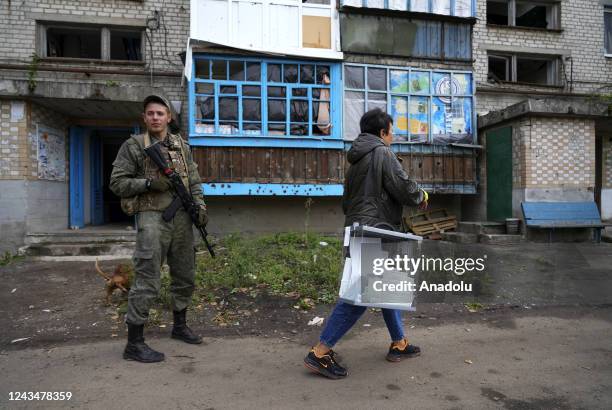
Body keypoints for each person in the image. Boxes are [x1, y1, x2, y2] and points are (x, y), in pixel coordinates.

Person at [304, 108, 429, 379]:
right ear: (382, 133)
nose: (393, 136)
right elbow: (404, 186)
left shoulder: (356, 162)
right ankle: (320, 352)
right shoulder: (382, 153)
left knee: (387, 286)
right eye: (391, 131)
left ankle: (399, 343)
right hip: (376, 230)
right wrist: (421, 196)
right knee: (360, 294)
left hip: (360, 227)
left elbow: (347, 202)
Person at [110, 95, 208, 363]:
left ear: (169, 118)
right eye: (150, 113)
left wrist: (200, 207)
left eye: (160, 113)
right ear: (144, 118)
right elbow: (117, 183)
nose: (155, 117)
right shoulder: (133, 146)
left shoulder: (182, 147)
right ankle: (135, 343)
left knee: (185, 273)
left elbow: (195, 181)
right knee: (147, 277)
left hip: (182, 219)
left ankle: (179, 326)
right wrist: (148, 184)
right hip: (152, 218)